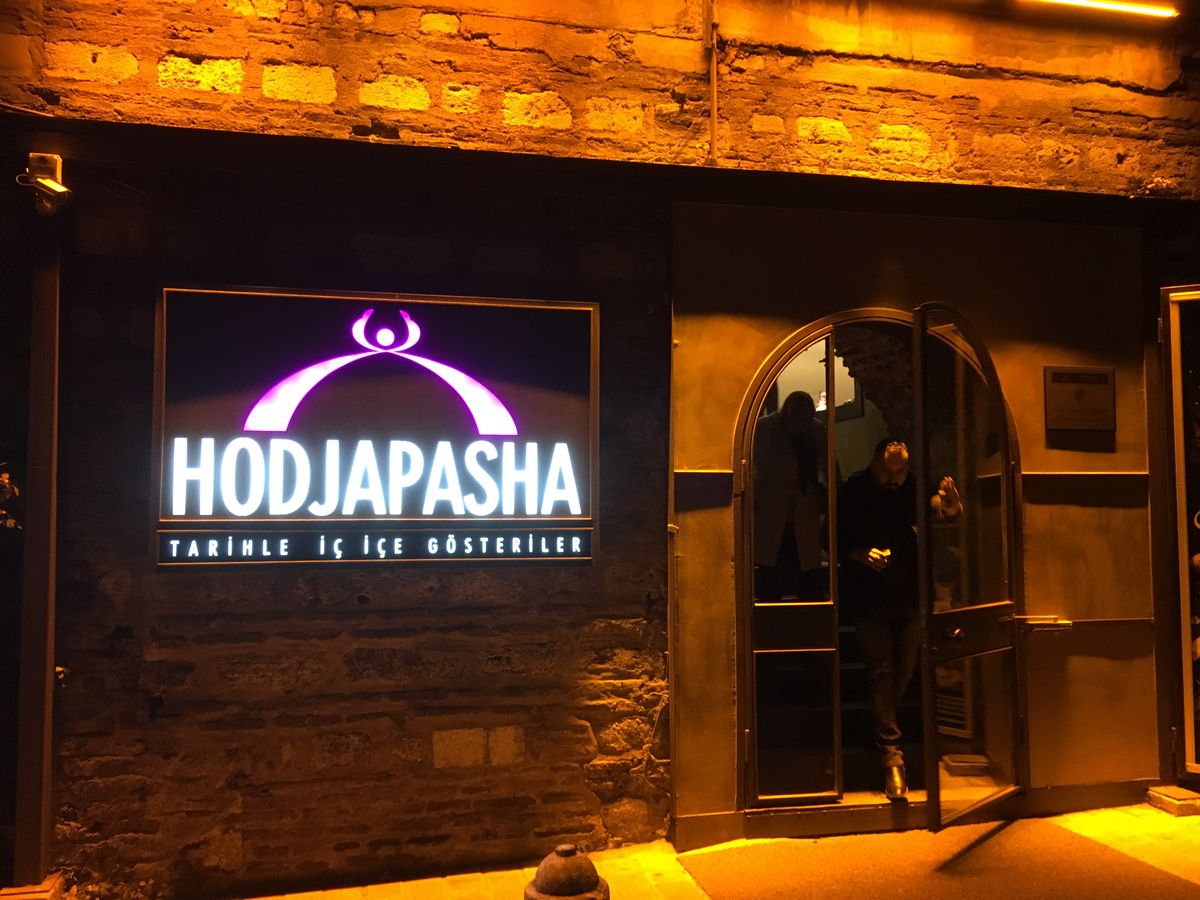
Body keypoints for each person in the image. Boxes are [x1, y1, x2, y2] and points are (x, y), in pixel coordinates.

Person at [838, 439, 961, 800]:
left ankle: (879, 725)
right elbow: (832, 535)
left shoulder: (915, 486)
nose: (894, 479)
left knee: (905, 669)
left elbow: (941, 509)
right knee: (882, 670)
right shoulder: (855, 489)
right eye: (887, 471)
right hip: (867, 597)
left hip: (909, 594)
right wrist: (860, 554)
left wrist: (952, 507)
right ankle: (892, 756)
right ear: (874, 462)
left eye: (900, 471)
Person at [753, 391, 828, 600]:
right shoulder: (763, 429)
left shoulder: (816, 430)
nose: (801, 426)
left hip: (803, 512)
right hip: (772, 512)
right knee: (772, 575)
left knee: (806, 576)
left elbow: (828, 466)